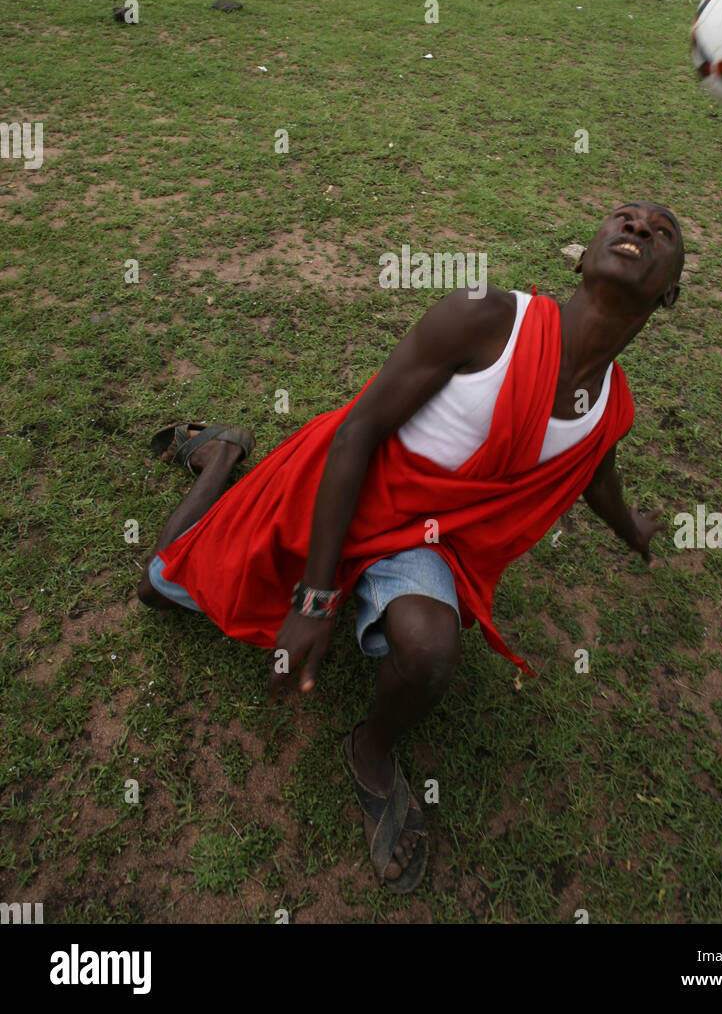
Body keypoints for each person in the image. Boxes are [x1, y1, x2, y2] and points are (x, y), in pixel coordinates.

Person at [138, 201, 684, 893]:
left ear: (669, 294)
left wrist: (632, 528)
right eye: (625, 218)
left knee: (429, 651)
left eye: (661, 232)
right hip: (342, 484)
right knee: (157, 588)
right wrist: (314, 596)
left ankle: (371, 754)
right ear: (581, 257)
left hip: (424, 541)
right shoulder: (486, 317)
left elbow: (598, 476)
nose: (637, 229)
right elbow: (359, 429)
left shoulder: (610, 406)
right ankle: (221, 456)